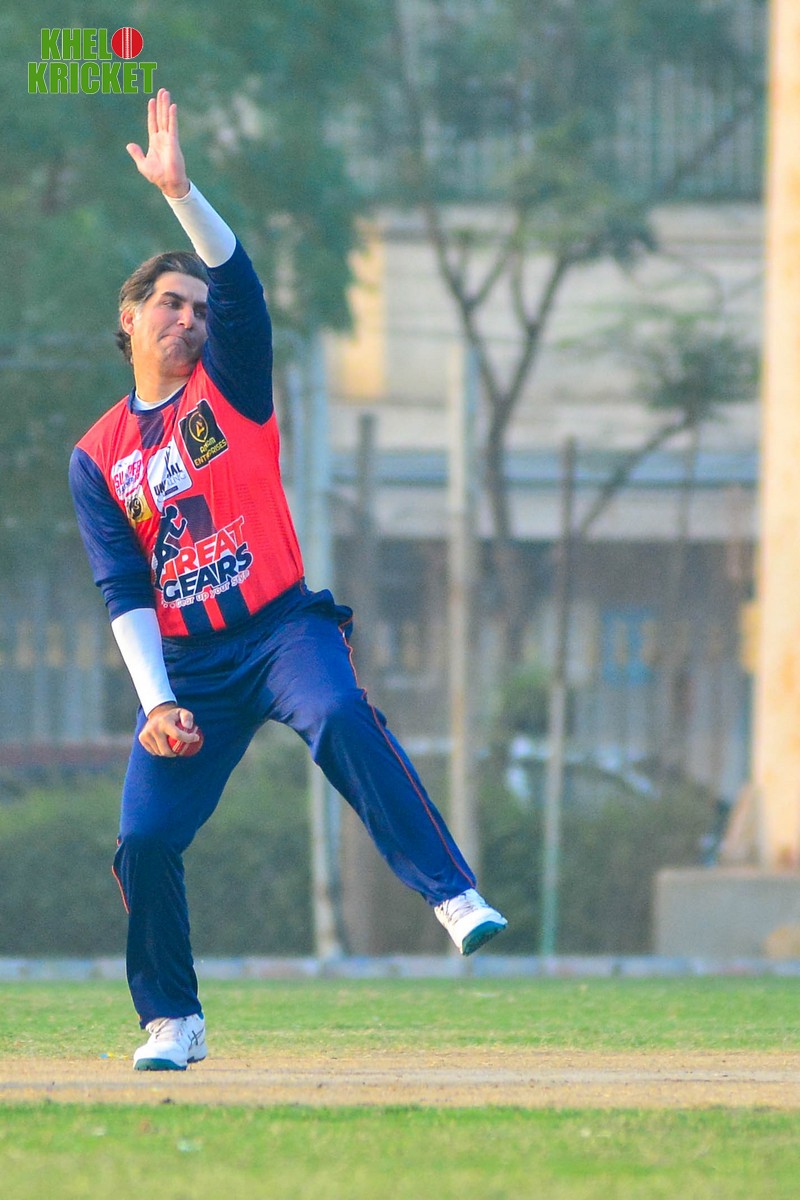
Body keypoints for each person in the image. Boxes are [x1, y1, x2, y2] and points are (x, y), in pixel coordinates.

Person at [69, 89, 507, 1072]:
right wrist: (157, 703)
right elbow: (122, 588)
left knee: (342, 713)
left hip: (279, 629)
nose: (190, 317)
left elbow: (239, 282)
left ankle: (451, 895)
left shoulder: (231, 384)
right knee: (144, 840)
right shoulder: (96, 456)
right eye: (170, 303)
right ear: (130, 318)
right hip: (189, 666)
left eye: (198, 308)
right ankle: (172, 1021)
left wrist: (180, 195)